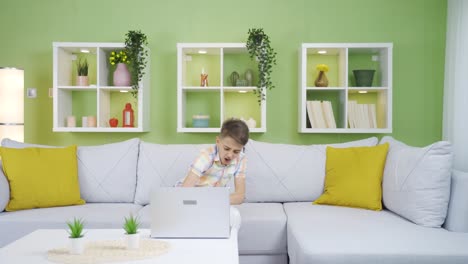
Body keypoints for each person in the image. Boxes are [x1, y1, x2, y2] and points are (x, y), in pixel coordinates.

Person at [176, 118, 249, 205]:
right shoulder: (207, 156)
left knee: (234, 215)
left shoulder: (241, 159)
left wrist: (215, 200)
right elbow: (184, 192)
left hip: (212, 199)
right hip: (187, 196)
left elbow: (240, 196)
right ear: (218, 141)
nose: (230, 155)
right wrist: (212, 199)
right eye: (226, 148)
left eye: (236, 151)